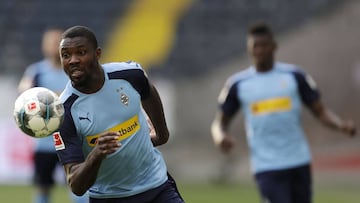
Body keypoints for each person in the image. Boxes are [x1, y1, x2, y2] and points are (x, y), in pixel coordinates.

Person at [211, 22, 356, 203]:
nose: (260, 51)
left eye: (264, 46)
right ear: (249, 49)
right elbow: (220, 122)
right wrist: (220, 137)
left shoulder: (295, 76)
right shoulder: (238, 84)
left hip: (298, 161)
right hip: (267, 165)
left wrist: (341, 125)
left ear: (274, 47)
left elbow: (320, 111)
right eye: (255, 46)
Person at [55, 25, 184, 203]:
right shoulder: (63, 113)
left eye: (81, 52)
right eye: (66, 55)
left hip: (157, 188)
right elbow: (76, 186)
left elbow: (147, 90)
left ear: (97, 54)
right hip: (109, 198)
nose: (73, 60)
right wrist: (96, 154)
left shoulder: (129, 75)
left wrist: (162, 134)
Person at [18, 28, 88, 203]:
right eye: (50, 42)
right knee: (43, 187)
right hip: (44, 142)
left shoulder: (75, 70)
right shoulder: (36, 71)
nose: (54, 46)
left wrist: (48, 97)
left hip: (72, 139)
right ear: (43, 46)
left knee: (78, 186)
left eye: (58, 42)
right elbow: (24, 94)